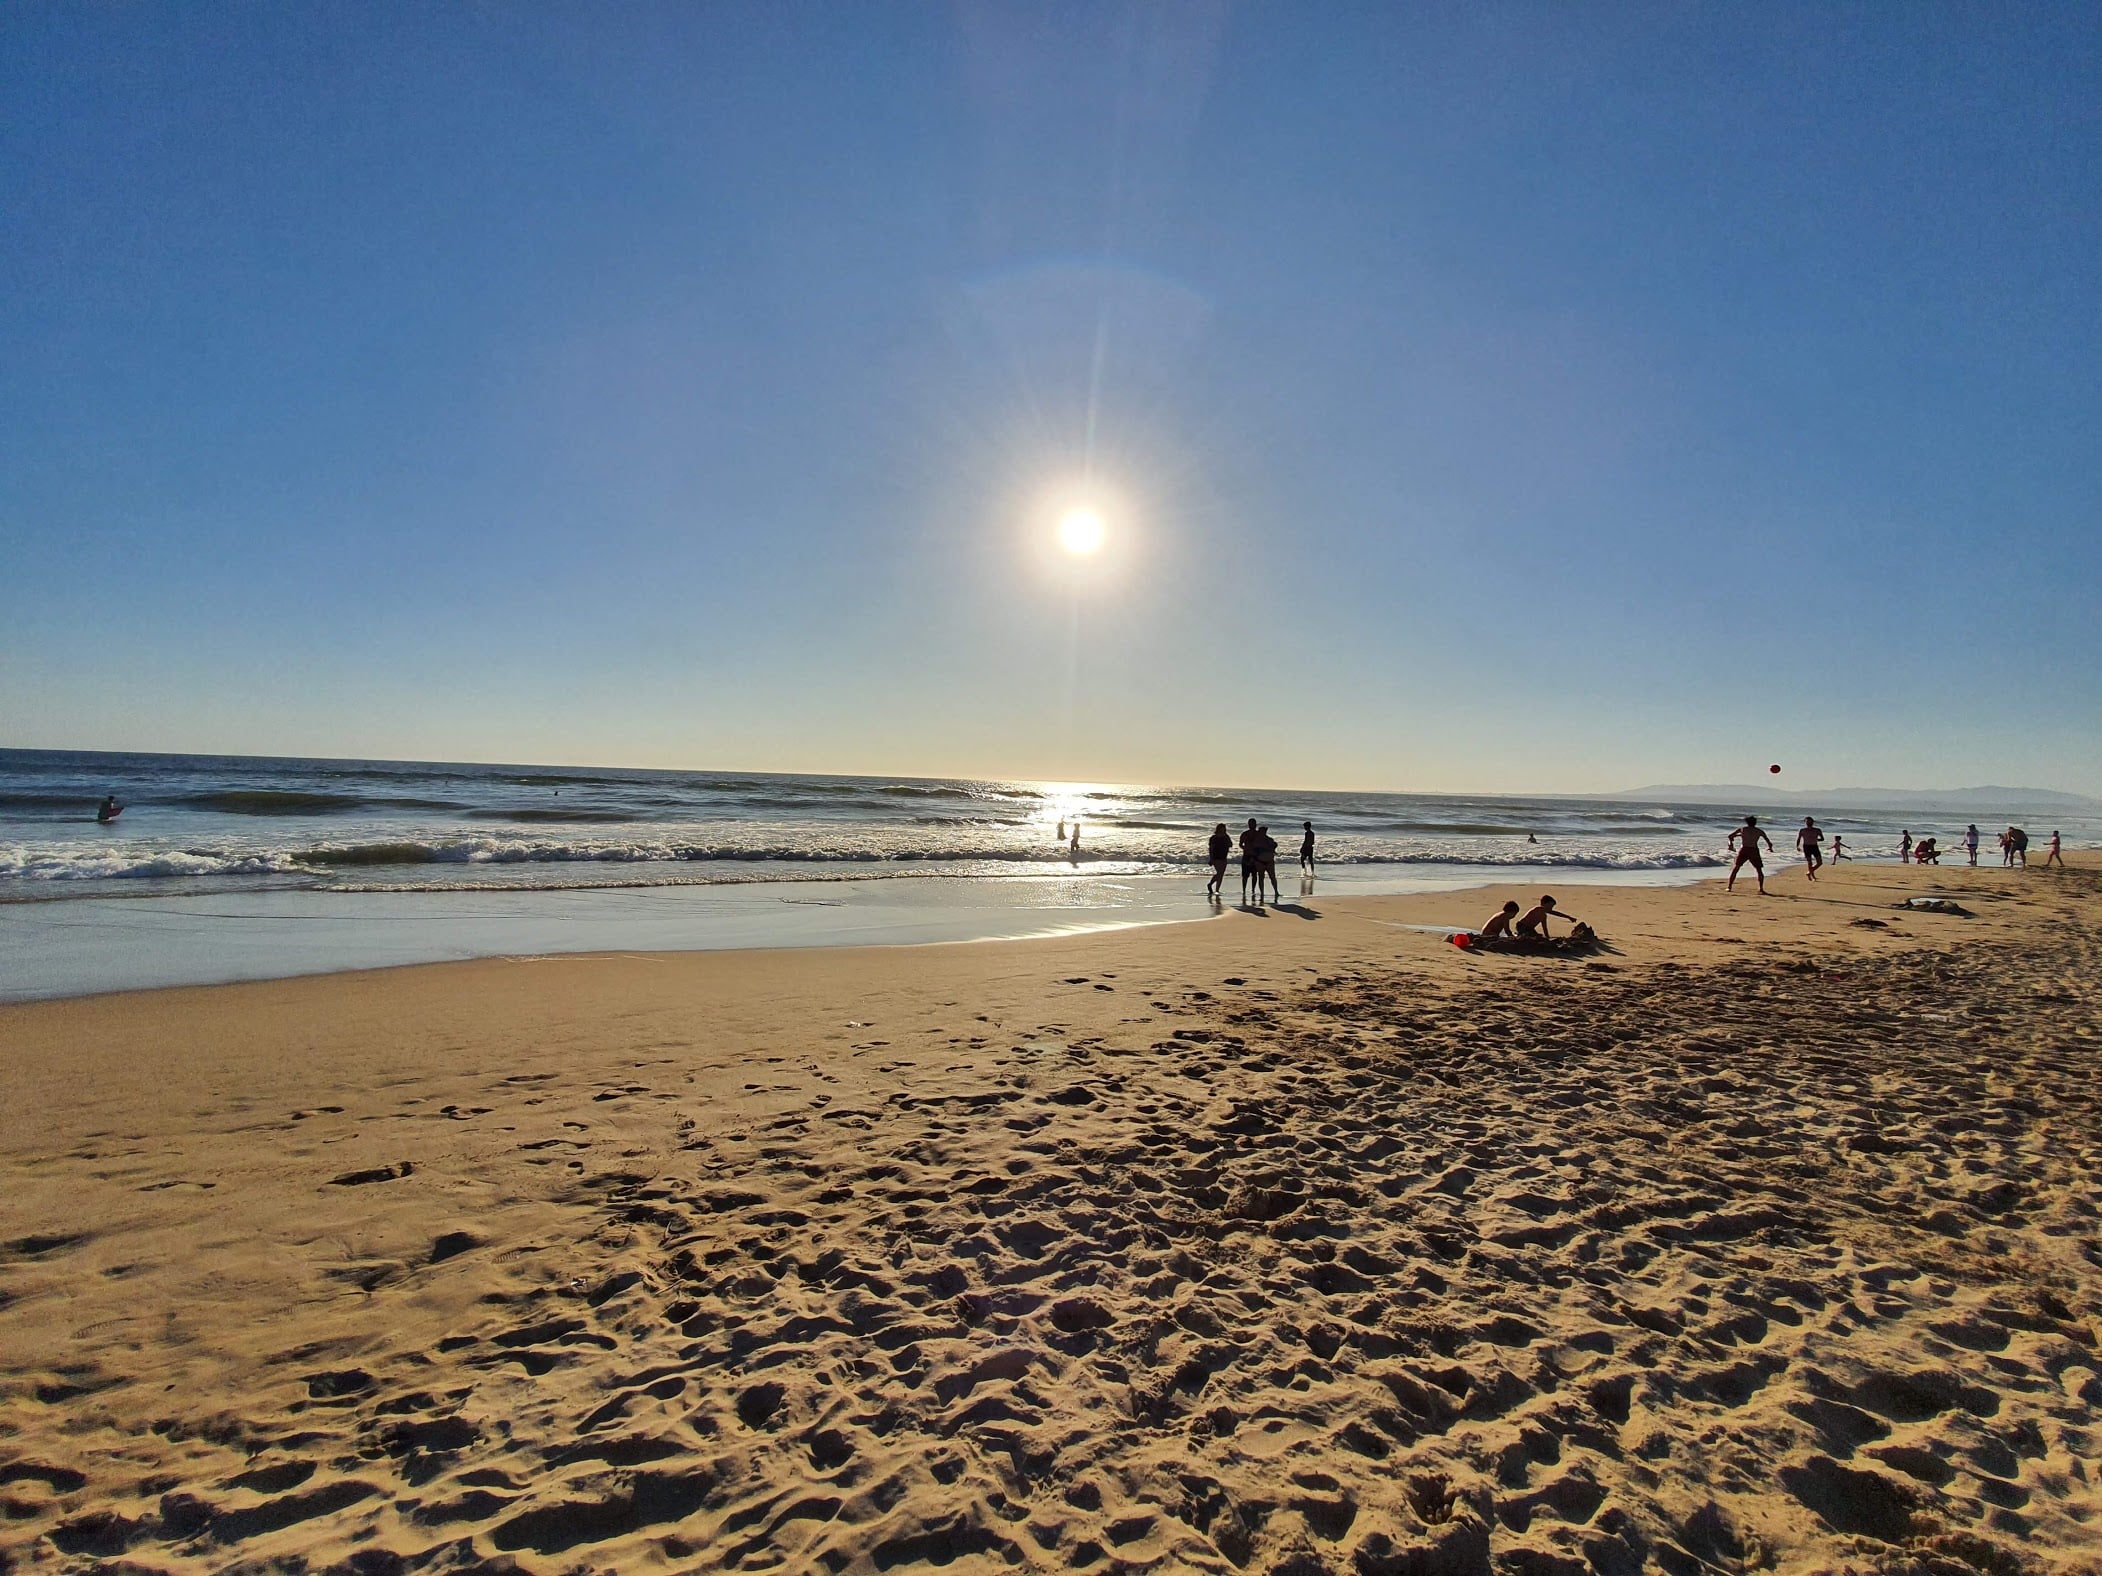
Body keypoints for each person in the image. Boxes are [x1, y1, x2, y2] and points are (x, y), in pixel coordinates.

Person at [1727, 815, 1773, 894]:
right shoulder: (1759, 831)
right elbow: (1768, 841)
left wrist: (1731, 843)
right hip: (1754, 850)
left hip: (1744, 850)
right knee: (1759, 869)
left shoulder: (1743, 829)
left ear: (1747, 822)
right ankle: (1761, 889)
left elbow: (1730, 836)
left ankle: (1729, 887)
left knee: (1736, 868)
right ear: (1755, 823)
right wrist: (1770, 848)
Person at [1255, 824, 1282, 904]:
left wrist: (1272, 846)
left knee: (1272, 877)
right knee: (1261, 877)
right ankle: (1262, 892)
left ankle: (1276, 892)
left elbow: (1274, 847)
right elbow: (1254, 850)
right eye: (1260, 832)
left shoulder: (1270, 840)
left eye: (1263, 832)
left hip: (1269, 861)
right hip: (1260, 861)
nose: (1261, 833)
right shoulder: (1257, 841)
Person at [1205, 823, 1232, 898]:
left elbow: (1231, 845)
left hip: (1224, 857)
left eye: (1224, 829)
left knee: (1221, 874)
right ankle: (1210, 884)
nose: (1223, 830)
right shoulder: (1213, 838)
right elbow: (1211, 849)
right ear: (1218, 829)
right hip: (1216, 857)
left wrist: (1226, 839)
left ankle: (1217, 890)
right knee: (1219, 873)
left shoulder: (1226, 837)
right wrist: (1211, 859)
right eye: (1221, 828)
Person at [1238, 818, 1261, 903]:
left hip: (1256, 856)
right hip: (1246, 855)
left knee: (1254, 874)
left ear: (1255, 825)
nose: (1252, 825)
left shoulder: (1258, 834)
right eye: (1251, 824)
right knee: (1245, 875)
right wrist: (1245, 848)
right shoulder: (1245, 834)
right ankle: (1244, 890)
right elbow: (1240, 844)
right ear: (1248, 824)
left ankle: (1253, 890)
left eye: (1253, 824)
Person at [1796, 817, 1824, 881]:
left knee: (1819, 862)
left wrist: (1816, 839)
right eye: (1807, 822)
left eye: (1810, 822)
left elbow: (1822, 839)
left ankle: (1809, 873)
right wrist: (1797, 846)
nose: (1808, 823)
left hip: (1814, 846)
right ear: (1805, 822)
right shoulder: (1802, 830)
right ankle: (1812, 876)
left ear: (1813, 822)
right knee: (1809, 862)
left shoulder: (1817, 830)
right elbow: (1799, 838)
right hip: (1806, 847)